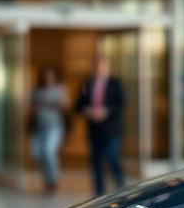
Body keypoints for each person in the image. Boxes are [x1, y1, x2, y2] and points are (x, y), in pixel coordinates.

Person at [75, 54, 124, 196]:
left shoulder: (115, 83)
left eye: (101, 65)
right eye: (95, 66)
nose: (98, 68)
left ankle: (121, 189)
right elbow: (77, 105)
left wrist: (106, 111)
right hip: (94, 130)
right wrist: (87, 110)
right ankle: (99, 194)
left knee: (112, 157)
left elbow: (121, 104)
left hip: (111, 129)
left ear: (106, 67)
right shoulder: (87, 84)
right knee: (96, 162)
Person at [29, 67, 68, 194]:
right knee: (37, 154)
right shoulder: (37, 91)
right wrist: (37, 107)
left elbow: (66, 107)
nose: (48, 78)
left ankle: (53, 180)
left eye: (50, 75)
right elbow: (31, 110)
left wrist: (58, 104)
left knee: (48, 151)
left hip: (54, 126)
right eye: (45, 75)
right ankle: (46, 179)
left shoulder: (59, 90)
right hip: (39, 127)